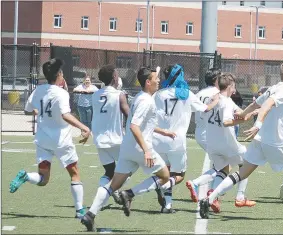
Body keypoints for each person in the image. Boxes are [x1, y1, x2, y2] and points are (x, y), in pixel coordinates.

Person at [198, 62, 283, 219]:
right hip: (275, 142)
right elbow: (266, 105)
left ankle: (208, 199)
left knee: (242, 173)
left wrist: (243, 114)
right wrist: (257, 124)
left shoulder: (273, 87)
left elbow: (256, 103)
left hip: (261, 141)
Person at [80, 67, 177, 231]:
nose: (158, 81)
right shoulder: (146, 100)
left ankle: (90, 214)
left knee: (113, 185)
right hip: (140, 148)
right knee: (165, 176)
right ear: (148, 82)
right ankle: (130, 194)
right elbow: (134, 126)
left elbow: (140, 123)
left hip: (127, 148)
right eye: (156, 79)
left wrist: (163, 131)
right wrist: (146, 150)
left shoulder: (140, 97)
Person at [10, 58, 91, 219]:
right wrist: (84, 127)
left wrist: (40, 113)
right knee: (74, 173)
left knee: (43, 179)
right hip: (61, 141)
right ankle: (80, 210)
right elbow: (65, 115)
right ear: (59, 74)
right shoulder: (61, 93)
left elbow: (28, 109)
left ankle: (26, 176)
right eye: (61, 73)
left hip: (43, 140)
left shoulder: (38, 90)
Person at [152, 64, 220, 213]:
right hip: (176, 141)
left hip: (157, 139)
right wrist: (217, 99)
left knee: (166, 172)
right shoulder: (186, 94)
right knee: (179, 175)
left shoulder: (158, 94)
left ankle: (167, 205)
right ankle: (162, 186)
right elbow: (205, 108)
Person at [204, 73, 257, 213]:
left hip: (212, 143)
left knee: (223, 169)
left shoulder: (216, 98)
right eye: (234, 86)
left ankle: (213, 195)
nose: (235, 89)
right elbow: (227, 121)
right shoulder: (225, 101)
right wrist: (242, 120)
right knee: (247, 163)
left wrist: (253, 110)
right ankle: (239, 197)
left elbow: (240, 112)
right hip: (226, 142)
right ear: (229, 86)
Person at [90, 64, 130, 205]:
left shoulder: (95, 95)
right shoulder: (119, 95)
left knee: (109, 172)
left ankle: (102, 197)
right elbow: (128, 115)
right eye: (117, 73)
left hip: (100, 140)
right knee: (127, 170)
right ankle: (112, 192)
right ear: (114, 77)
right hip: (116, 140)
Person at [185, 68, 221, 203]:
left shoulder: (199, 93)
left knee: (220, 164)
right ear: (216, 80)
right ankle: (204, 189)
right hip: (212, 133)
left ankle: (212, 192)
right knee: (224, 164)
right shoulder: (218, 94)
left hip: (200, 132)